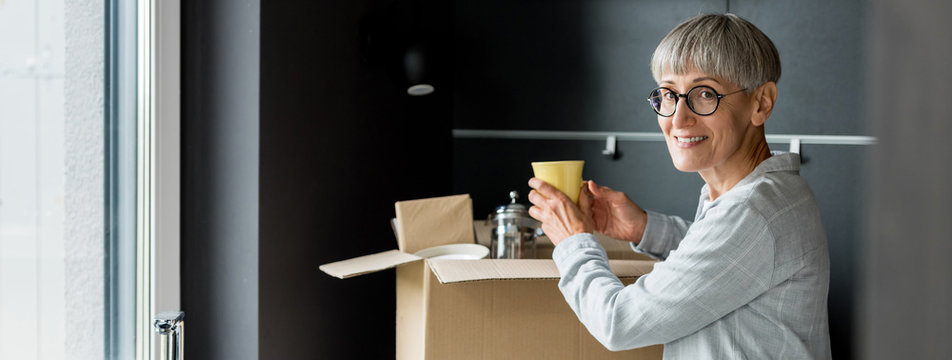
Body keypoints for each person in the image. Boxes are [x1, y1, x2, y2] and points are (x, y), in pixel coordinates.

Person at [527, 13, 831, 359]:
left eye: (704, 94)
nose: (678, 119)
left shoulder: (752, 211)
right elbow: (728, 260)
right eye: (668, 94)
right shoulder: (761, 195)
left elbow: (618, 321)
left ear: (761, 102)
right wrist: (644, 228)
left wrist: (573, 241)